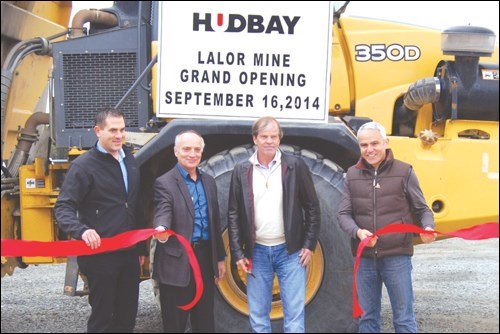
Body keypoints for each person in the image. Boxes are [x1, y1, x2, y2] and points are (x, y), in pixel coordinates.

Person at [337, 121, 437, 333]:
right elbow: (344, 214)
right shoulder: (352, 175)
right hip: (364, 259)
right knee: (367, 319)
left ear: (386, 143)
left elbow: (422, 210)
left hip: (396, 258)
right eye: (364, 145)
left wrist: (428, 227)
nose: (370, 149)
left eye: (375, 143)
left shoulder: (404, 171)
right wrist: (358, 232)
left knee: (403, 320)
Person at [54, 107, 146, 333]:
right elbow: (63, 207)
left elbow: (136, 205)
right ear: (97, 131)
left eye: (122, 130)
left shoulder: (130, 160)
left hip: (129, 254)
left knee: (127, 318)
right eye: (112, 130)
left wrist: (141, 247)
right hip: (99, 256)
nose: (119, 135)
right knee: (102, 320)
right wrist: (82, 230)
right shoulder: (84, 166)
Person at [227, 116, 321, 333]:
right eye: (264, 136)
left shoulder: (295, 166)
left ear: (280, 138)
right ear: (255, 139)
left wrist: (309, 244)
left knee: (294, 316)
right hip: (256, 253)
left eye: (274, 136)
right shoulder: (241, 171)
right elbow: (233, 214)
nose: (269, 141)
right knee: (259, 316)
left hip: (290, 253)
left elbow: (313, 208)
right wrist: (237, 253)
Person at [152, 130, 226, 333]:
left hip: (203, 259)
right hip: (176, 262)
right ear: (176, 152)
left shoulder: (209, 182)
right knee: (175, 324)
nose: (192, 154)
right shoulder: (165, 182)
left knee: (204, 322)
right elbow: (163, 210)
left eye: (196, 150)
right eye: (186, 149)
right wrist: (162, 228)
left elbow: (214, 222)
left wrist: (219, 258)